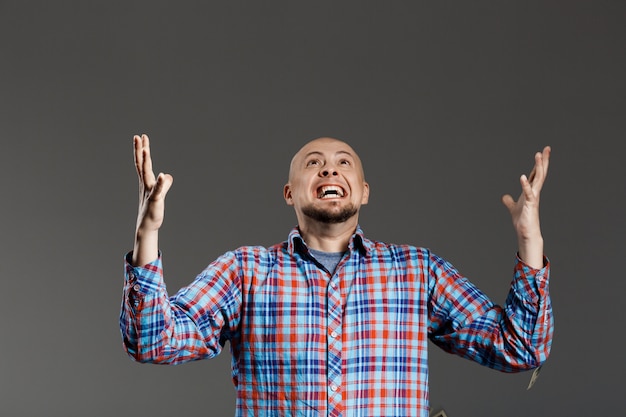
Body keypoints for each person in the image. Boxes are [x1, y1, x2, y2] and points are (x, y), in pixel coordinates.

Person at [120, 135, 553, 417]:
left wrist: (530, 241)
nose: (329, 170)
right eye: (314, 163)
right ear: (290, 192)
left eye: (343, 162)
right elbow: (153, 342)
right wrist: (148, 235)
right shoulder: (244, 271)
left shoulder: (417, 271)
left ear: (364, 190)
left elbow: (519, 349)